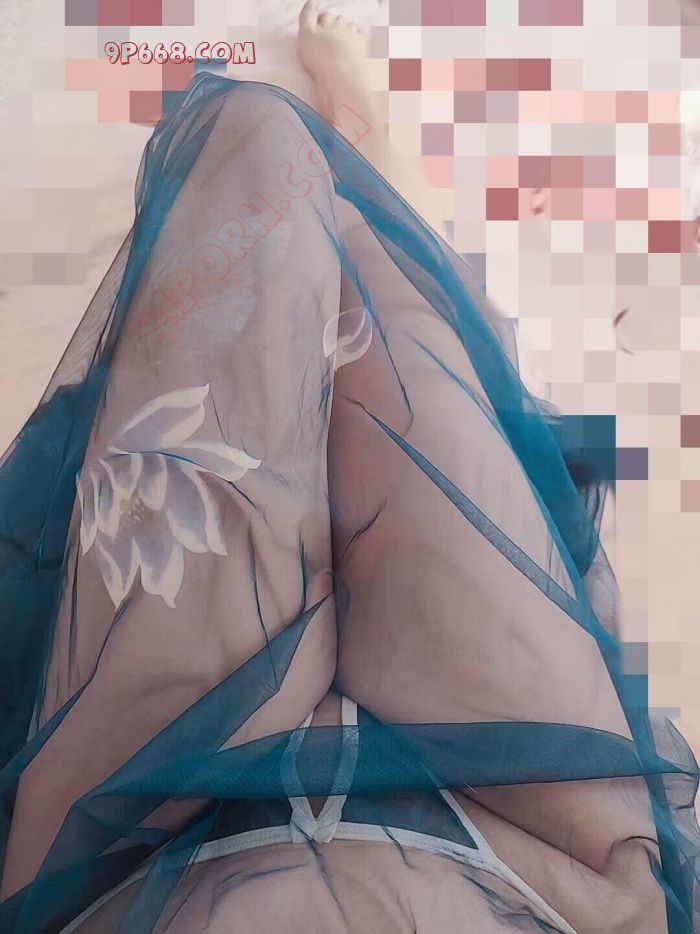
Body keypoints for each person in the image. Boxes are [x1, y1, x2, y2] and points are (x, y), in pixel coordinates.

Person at [0, 3, 698, 931]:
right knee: (407, 349)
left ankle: (366, 203)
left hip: (124, 843)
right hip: (542, 855)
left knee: (253, 147)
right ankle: (378, 196)